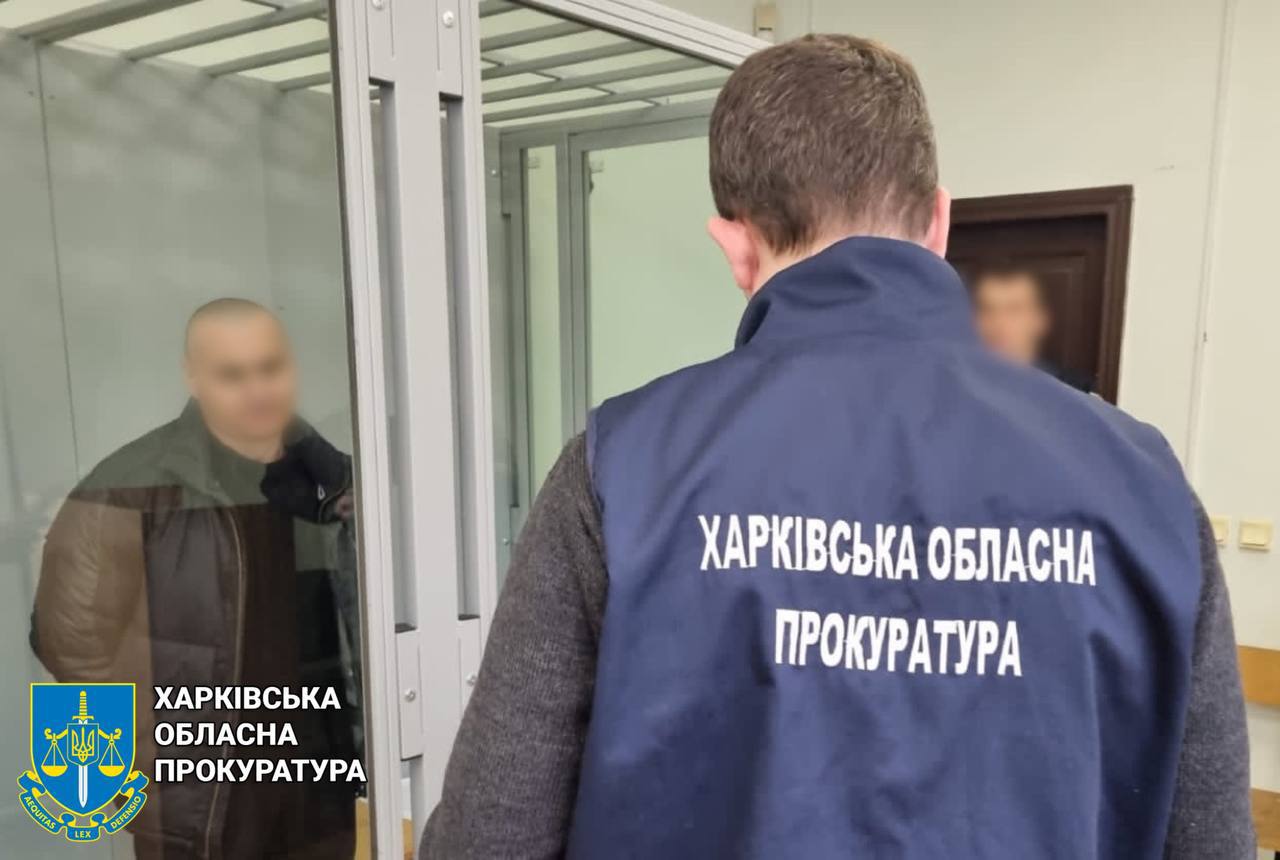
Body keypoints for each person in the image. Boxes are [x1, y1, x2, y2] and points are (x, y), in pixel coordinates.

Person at [423, 35, 1253, 859]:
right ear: (939, 221)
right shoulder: (1144, 489)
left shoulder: (622, 470)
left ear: (735, 245)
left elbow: (486, 838)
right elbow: (1209, 841)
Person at [31, 298, 363, 859]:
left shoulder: (339, 485)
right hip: (204, 803)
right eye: (232, 375)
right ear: (193, 376)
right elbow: (69, 640)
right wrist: (160, 766)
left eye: (270, 367)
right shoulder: (130, 485)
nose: (258, 390)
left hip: (318, 787)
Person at [969, 262, 1095, 392]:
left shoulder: (1079, 392)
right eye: (986, 309)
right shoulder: (959, 386)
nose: (998, 322)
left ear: (1040, 320)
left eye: (1014, 310)